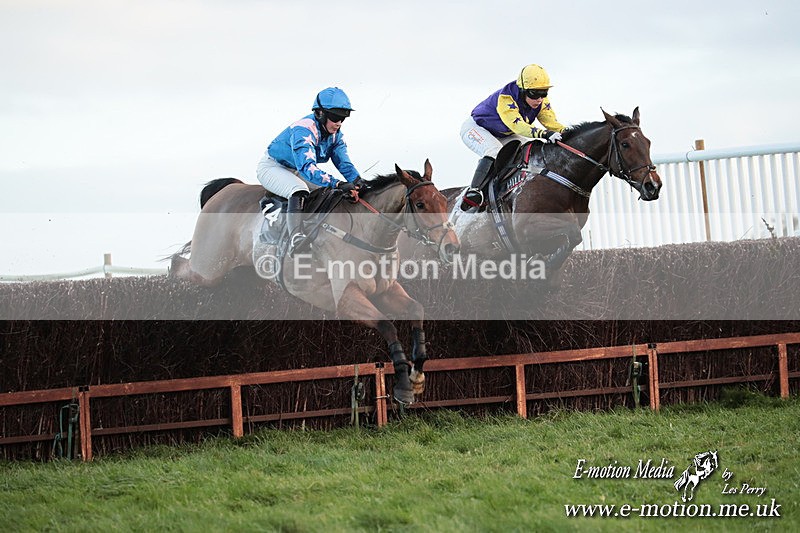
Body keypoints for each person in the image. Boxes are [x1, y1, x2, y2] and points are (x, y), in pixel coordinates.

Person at [257, 87, 364, 253]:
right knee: (298, 189)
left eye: (343, 118)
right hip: (273, 167)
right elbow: (307, 168)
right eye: (335, 117)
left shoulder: (336, 136)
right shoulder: (304, 130)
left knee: (329, 193)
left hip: (295, 169)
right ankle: (295, 237)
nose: (339, 123)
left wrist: (358, 182)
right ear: (320, 113)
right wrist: (338, 183)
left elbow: (344, 163)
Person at [459, 64, 566, 210]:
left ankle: (508, 188)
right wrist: (544, 134)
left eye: (544, 93)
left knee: (529, 149)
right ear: (522, 90)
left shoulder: (541, 101)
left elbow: (551, 123)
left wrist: (569, 133)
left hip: (504, 133)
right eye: (534, 94)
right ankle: (475, 192)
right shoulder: (506, 98)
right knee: (494, 151)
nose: (539, 99)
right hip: (477, 128)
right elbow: (518, 126)